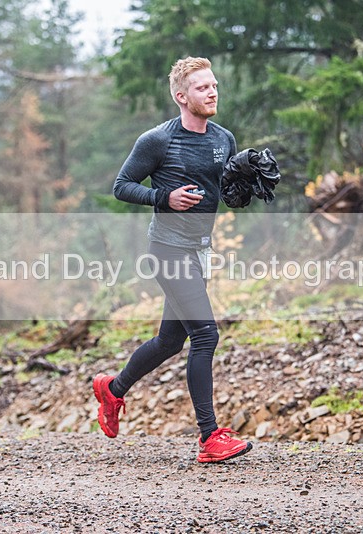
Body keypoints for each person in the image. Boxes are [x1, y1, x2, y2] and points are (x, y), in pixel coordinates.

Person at [93, 56, 252, 463]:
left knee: (170, 340)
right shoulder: (157, 141)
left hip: (200, 250)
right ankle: (209, 437)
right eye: (202, 87)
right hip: (167, 249)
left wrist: (248, 184)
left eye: (214, 85)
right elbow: (122, 186)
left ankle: (112, 390)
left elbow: (225, 193)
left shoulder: (223, 139)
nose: (212, 91)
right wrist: (164, 197)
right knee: (206, 335)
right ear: (182, 97)